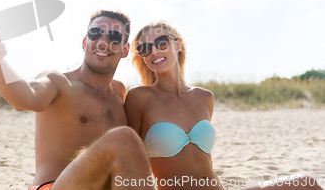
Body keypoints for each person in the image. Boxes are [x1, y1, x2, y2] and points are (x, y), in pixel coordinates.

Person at [0, 10, 155, 190]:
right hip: (54, 186)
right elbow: (26, 97)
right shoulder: (58, 82)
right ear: (85, 42)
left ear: (124, 50)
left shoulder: (119, 91)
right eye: (95, 33)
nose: (103, 42)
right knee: (123, 138)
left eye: (113, 37)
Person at [125, 20, 322, 190]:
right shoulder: (139, 98)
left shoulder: (204, 98)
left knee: (307, 183)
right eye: (144, 48)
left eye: (161, 43)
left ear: (178, 45)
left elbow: (203, 162)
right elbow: (130, 162)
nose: (154, 51)